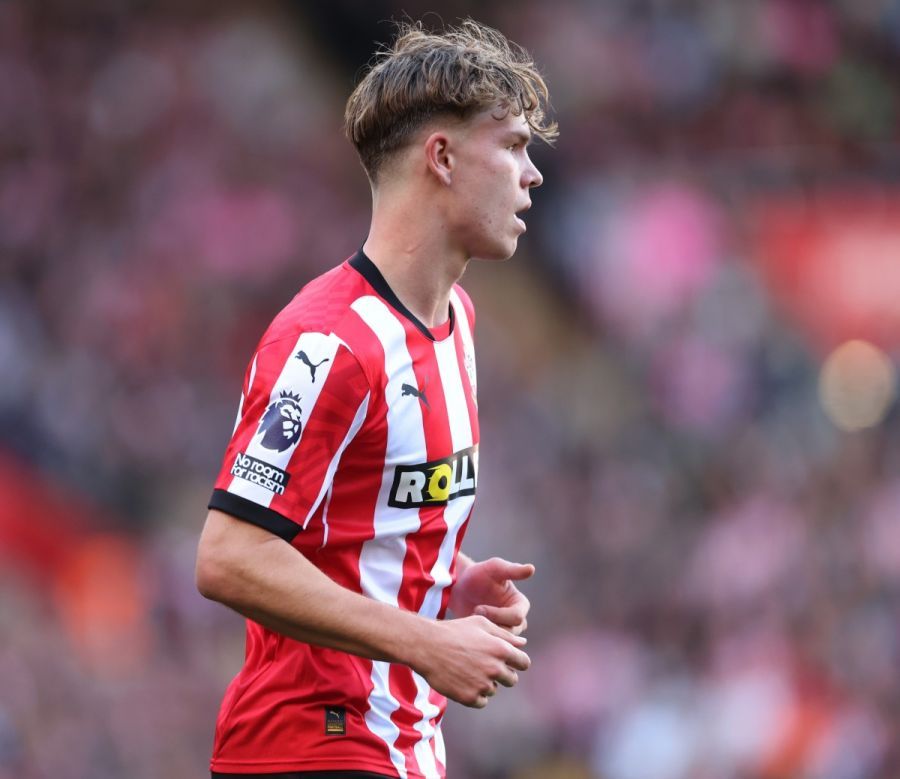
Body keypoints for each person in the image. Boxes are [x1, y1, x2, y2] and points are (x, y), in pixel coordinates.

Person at [195, 17, 557, 779]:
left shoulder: (456, 321)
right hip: (311, 746)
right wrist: (423, 640)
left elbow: (347, 542)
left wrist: (436, 586)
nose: (533, 176)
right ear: (443, 156)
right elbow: (229, 555)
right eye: (515, 146)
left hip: (403, 744)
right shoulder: (328, 341)